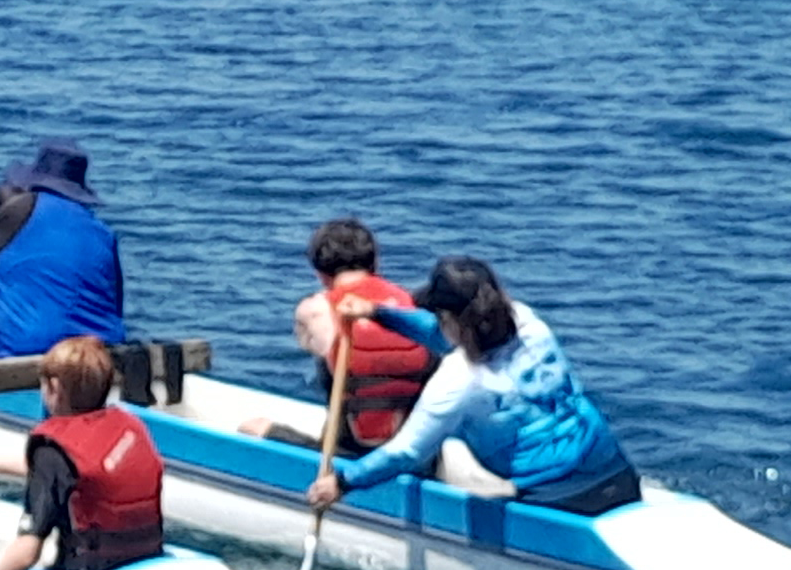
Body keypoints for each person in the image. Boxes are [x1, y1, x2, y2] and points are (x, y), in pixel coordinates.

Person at [309, 255, 642, 518]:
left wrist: (341, 482)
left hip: (559, 504)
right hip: (620, 474)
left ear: (452, 321)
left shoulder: (457, 382)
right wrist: (378, 313)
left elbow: (407, 452)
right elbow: (445, 336)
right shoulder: (530, 323)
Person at [0, 335, 172, 570]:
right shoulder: (129, 426)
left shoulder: (53, 453)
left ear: (54, 388)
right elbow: (63, 475)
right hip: (143, 564)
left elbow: (26, 553)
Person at [251, 218, 433, 456]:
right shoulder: (413, 307)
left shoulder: (317, 309)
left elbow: (309, 344)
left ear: (319, 273)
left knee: (252, 427)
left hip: (345, 457)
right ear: (375, 263)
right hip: (415, 456)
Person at [0, 138, 124, 358]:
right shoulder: (103, 233)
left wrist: (4, 193)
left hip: (25, 354)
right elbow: (116, 303)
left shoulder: (18, 208)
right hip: (101, 356)